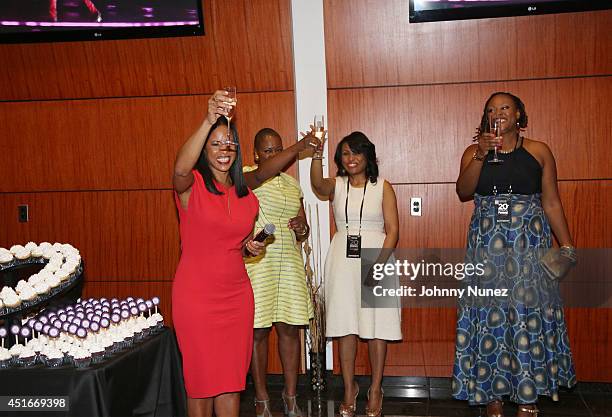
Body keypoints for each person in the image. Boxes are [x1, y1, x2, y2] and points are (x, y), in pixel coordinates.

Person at [172, 90, 320, 417]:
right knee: (200, 385)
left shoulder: (246, 197)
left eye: (229, 144)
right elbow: (179, 169)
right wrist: (209, 120)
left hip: (238, 297)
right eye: (216, 143)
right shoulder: (191, 186)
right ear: (203, 149)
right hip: (196, 298)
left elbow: (233, 246)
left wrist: (250, 247)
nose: (224, 150)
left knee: (230, 383)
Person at [453, 92, 576, 417]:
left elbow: (551, 202)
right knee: (490, 316)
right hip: (487, 247)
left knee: (526, 315)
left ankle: (526, 394)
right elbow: (464, 191)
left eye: (505, 107)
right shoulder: (473, 152)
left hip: (528, 246)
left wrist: (566, 246)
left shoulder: (538, 151)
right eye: (491, 109)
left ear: (519, 114)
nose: (498, 113)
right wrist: (480, 153)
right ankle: (492, 393)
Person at [308, 131, 401, 417]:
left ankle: (375, 388)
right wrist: (315, 152)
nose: (351, 158)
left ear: (368, 157)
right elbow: (316, 184)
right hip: (342, 261)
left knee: (377, 327)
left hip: (377, 256)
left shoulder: (383, 187)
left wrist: (379, 265)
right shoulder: (336, 185)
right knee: (344, 325)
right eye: (346, 153)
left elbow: (393, 230)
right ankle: (350, 388)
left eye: (357, 153)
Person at [244, 128, 314, 417]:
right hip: (259, 263)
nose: (274, 155)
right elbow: (259, 178)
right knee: (258, 331)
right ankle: (261, 399)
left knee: (289, 328)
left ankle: (290, 396)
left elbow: (304, 230)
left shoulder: (291, 184)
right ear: (256, 154)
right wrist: (298, 147)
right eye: (268, 151)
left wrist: (301, 227)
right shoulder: (246, 174)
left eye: (278, 149)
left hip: (289, 263)